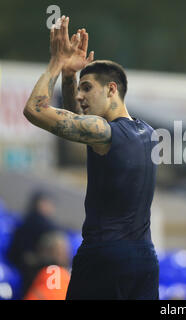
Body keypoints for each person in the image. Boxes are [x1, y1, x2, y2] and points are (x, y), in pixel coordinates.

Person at [23, 16, 159, 299]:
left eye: (87, 88)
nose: (81, 96)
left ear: (111, 89)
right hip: (144, 259)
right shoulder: (145, 132)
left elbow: (34, 110)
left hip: (104, 258)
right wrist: (71, 77)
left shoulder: (102, 131)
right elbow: (77, 123)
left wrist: (56, 63)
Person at [7, 189, 61, 296]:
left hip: (24, 267)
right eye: (48, 204)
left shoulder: (25, 221)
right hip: (29, 271)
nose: (51, 208)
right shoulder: (39, 222)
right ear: (41, 204)